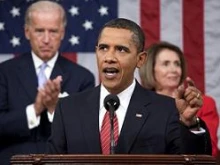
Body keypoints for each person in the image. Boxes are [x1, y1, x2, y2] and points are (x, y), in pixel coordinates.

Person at [47, 18, 211, 155]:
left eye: (121, 50)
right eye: (103, 48)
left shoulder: (166, 110)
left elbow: (192, 160)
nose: (109, 57)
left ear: (140, 59)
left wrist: (189, 124)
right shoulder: (68, 109)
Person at [0, 1, 94, 164]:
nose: (46, 39)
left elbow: (84, 135)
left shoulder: (83, 78)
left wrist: (53, 110)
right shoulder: (4, 72)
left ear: (63, 33)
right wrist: (35, 109)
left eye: (53, 31)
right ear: (27, 32)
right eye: (39, 31)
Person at [139, 41, 219, 156]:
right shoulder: (140, 104)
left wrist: (191, 123)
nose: (174, 70)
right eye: (166, 64)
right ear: (150, 69)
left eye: (177, 64)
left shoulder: (203, 103)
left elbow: (211, 152)